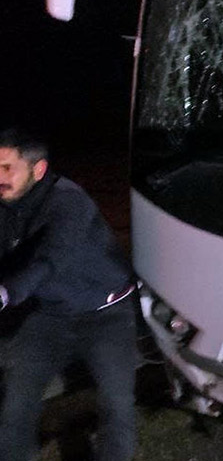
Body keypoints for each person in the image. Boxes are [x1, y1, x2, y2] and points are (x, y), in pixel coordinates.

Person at [0, 128, 138, 461]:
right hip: (51, 315)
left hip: (108, 314)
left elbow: (52, 257)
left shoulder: (68, 201)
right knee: (17, 399)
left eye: (6, 168)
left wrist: (6, 292)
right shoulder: (5, 205)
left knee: (117, 402)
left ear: (39, 169)